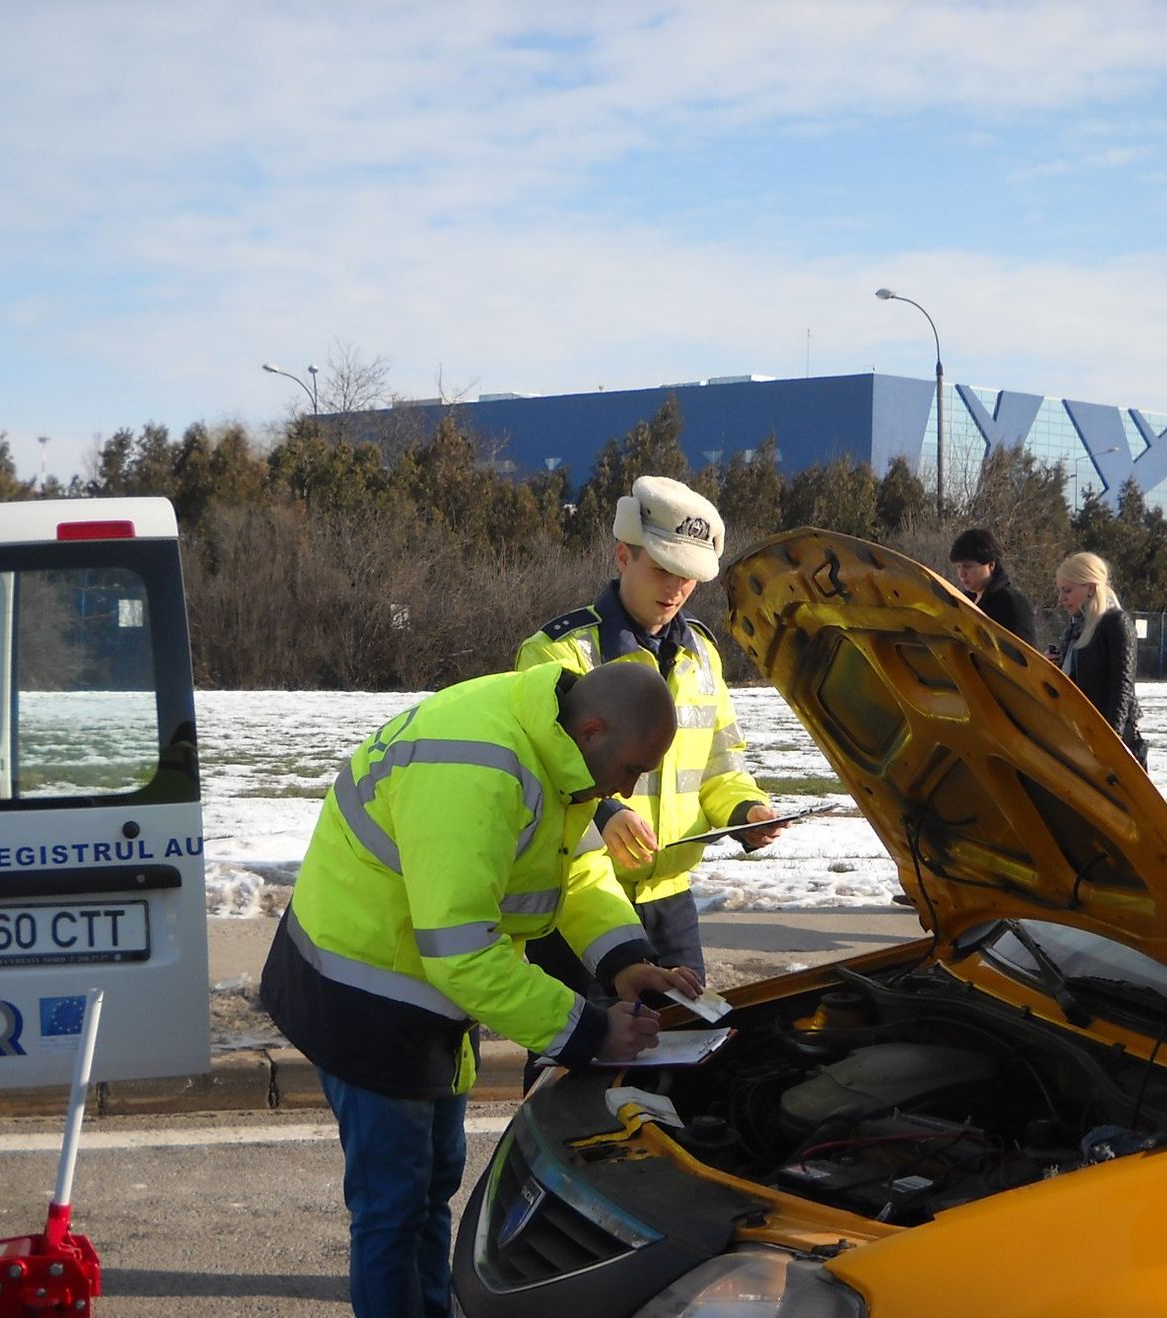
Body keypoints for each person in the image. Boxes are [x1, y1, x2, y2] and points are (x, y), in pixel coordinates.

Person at [259, 660, 702, 1318]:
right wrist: (589, 1028)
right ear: (592, 729)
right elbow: (461, 952)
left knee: (431, 1183)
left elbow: (574, 868)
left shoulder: (551, 744)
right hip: (364, 995)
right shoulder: (479, 769)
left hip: (420, 986)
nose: (631, 792)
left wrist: (625, 959)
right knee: (393, 1210)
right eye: (632, 768)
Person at [517, 475, 786, 993]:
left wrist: (746, 812)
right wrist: (605, 814)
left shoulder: (702, 655)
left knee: (687, 1043)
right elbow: (539, 773)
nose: (676, 590)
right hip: (581, 895)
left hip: (671, 897)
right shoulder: (558, 650)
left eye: (689, 577)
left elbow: (721, 764)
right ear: (623, 556)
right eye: (663, 569)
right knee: (579, 1051)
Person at [1053, 550, 1147, 766]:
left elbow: (1122, 686)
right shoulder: (1075, 627)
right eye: (1060, 591)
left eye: (1067, 590)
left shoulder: (1116, 622)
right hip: (1078, 734)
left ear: (1091, 588)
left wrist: (1111, 741)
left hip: (1109, 740)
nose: (1061, 599)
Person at [949, 526, 1038, 645]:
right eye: (958, 567)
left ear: (991, 565)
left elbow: (1026, 656)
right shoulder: (963, 601)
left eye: (968, 566)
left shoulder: (1012, 604)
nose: (962, 574)